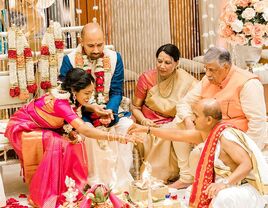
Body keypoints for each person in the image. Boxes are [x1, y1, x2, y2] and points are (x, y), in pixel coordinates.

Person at [4, 68, 140, 208]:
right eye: (87, 93)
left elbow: (79, 107)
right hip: (25, 128)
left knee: (75, 141)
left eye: (91, 92)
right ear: (74, 91)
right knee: (60, 144)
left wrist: (93, 108)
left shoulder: (68, 95)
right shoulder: (61, 103)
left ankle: (70, 186)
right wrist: (117, 137)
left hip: (44, 125)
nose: (89, 96)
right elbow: (85, 129)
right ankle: (54, 189)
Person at [128, 99, 268, 208]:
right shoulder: (209, 133)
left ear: (208, 120)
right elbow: (176, 135)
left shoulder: (226, 136)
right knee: (192, 193)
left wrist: (224, 184)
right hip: (232, 183)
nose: (193, 119)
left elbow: (246, 164)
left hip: (249, 188)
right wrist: (144, 129)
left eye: (196, 115)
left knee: (223, 196)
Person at [59, 22, 134, 191]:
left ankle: (121, 182)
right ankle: (95, 182)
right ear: (81, 41)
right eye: (90, 45)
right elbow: (65, 95)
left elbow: (116, 91)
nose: (95, 50)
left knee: (126, 127)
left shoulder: (115, 58)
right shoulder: (70, 60)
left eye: (100, 44)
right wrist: (91, 108)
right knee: (87, 132)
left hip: (110, 108)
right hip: (81, 112)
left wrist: (109, 111)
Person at [175, 46, 267, 150]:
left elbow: (257, 122)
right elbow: (184, 103)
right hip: (209, 135)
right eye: (206, 69)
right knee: (178, 122)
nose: (207, 74)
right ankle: (185, 167)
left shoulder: (248, 83)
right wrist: (189, 123)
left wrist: (249, 151)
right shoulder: (207, 80)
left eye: (212, 70)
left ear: (226, 67)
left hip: (235, 139)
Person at [131, 43, 197, 188]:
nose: (162, 66)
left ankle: (179, 177)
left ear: (177, 63)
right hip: (148, 123)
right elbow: (135, 107)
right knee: (151, 136)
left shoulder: (186, 80)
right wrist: (144, 120)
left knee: (172, 131)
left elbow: (195, 104)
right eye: (159, 61)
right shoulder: (146, 78)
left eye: (167, 62)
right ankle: (155, 176)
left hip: (172, 123)